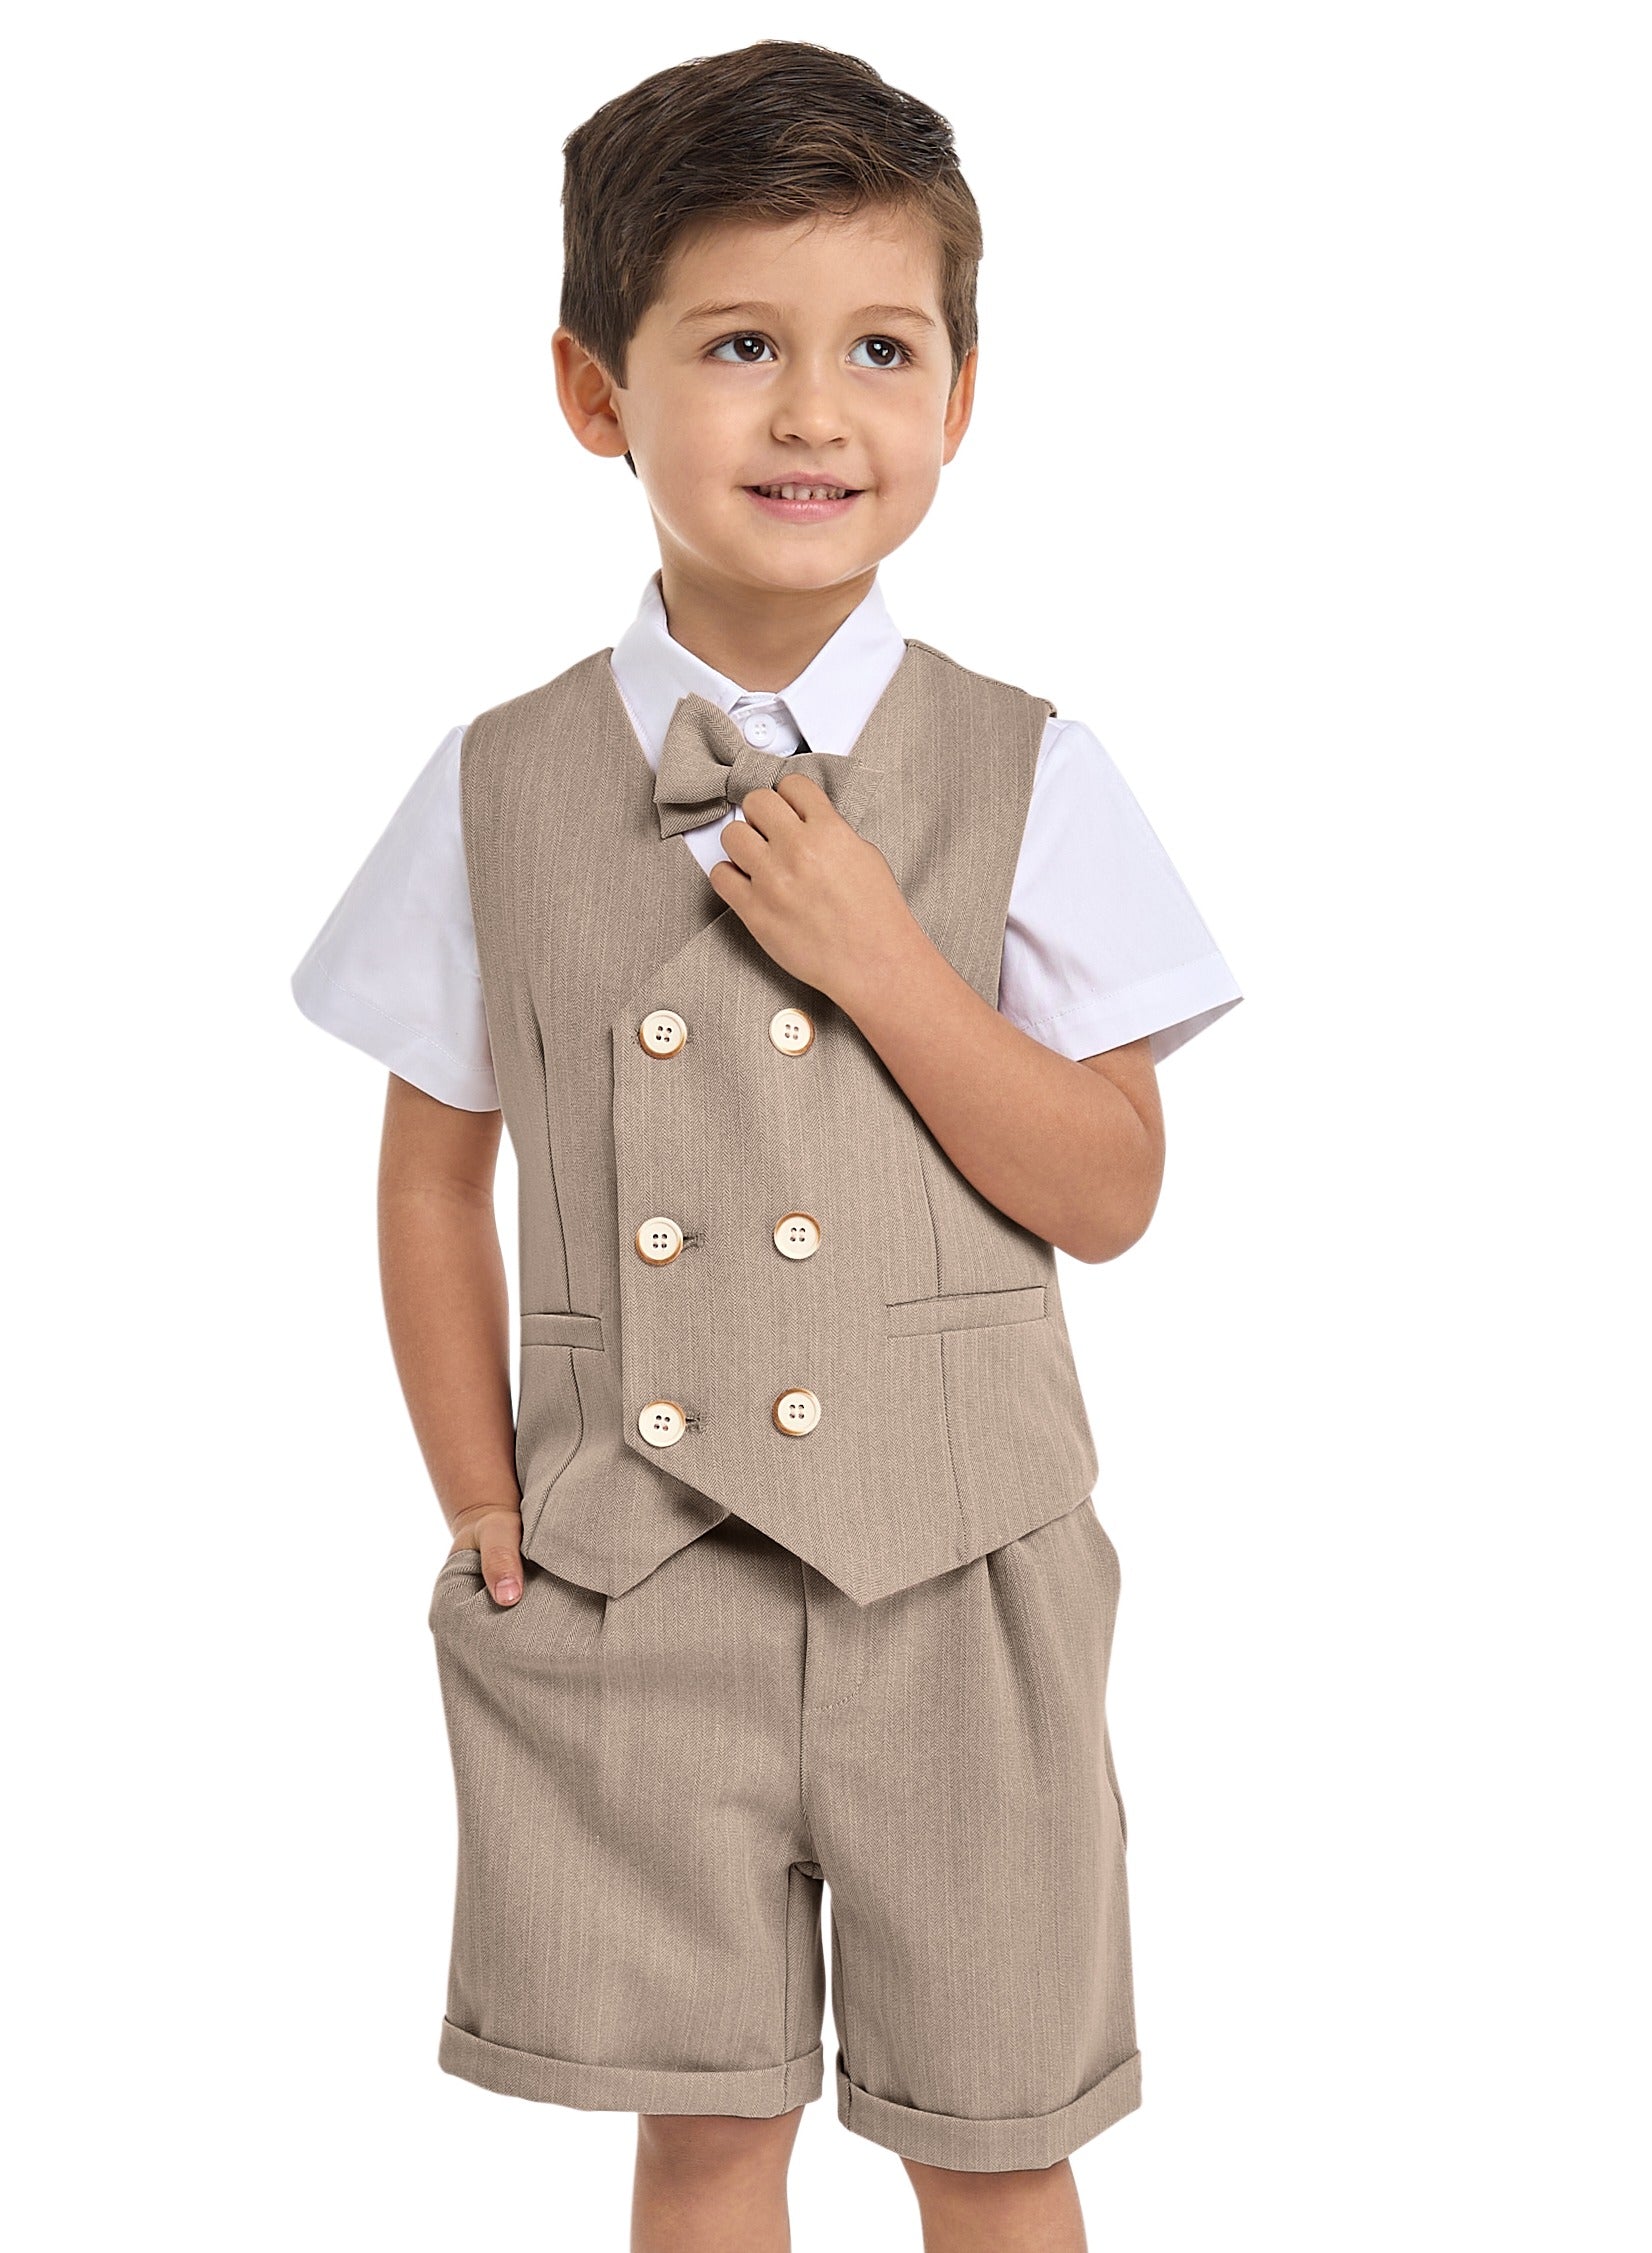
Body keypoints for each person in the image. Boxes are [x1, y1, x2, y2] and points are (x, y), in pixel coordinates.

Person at [292, 37, 1242, 2253]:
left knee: (994, 2128)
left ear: (960, 398)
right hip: (631, 1572)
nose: (814, 412)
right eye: (739, 346)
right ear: (592, 391)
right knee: (705, 2132)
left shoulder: (1031, 766)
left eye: (878, 351)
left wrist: (890, 961)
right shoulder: (495, 782)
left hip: (963, 1575)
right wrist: (480, 1498)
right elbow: (432, 1168)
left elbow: (1110, 1189)